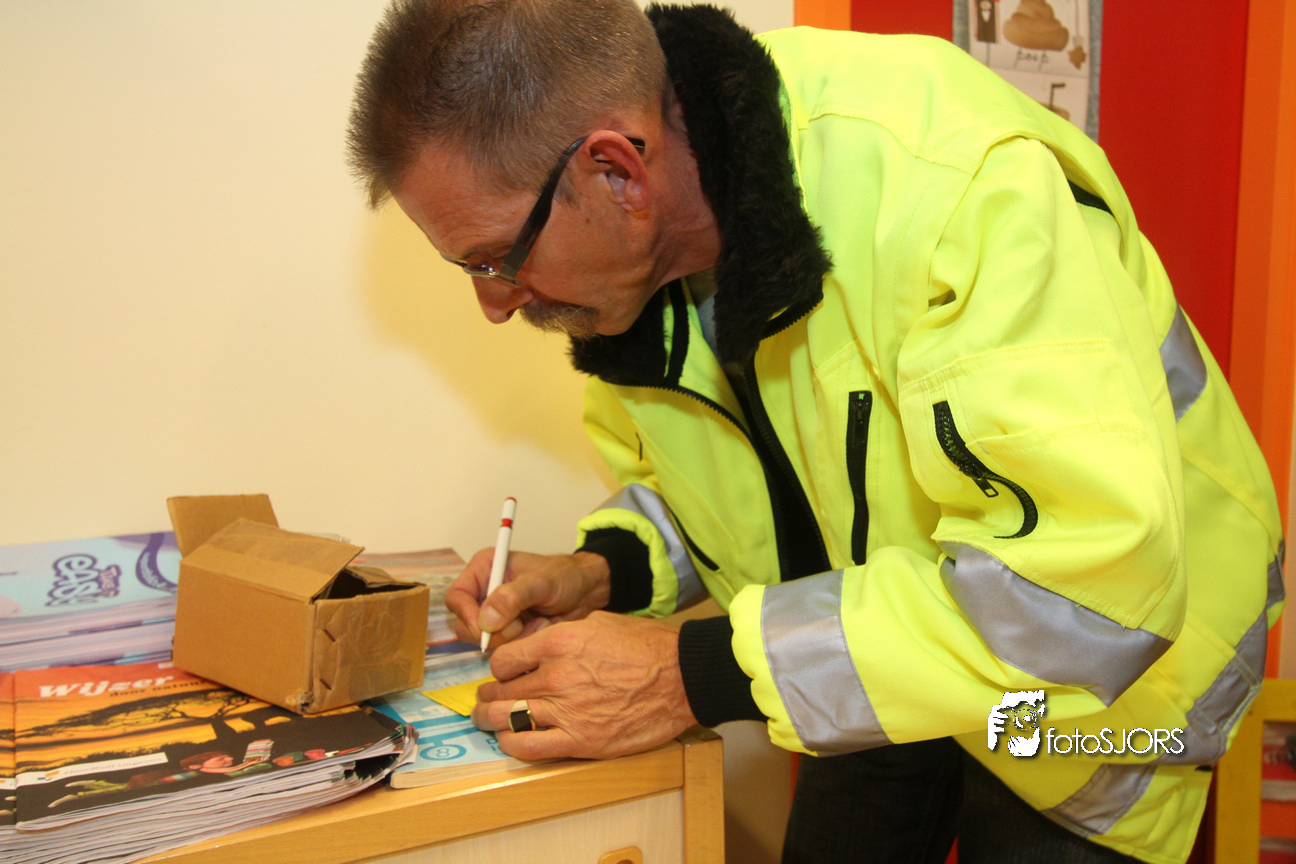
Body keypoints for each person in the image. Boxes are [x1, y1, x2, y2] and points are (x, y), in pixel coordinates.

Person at [346, 1, 1285, 862]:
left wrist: (688, 673)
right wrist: (604, 569)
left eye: (495, 258)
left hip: (1100, 690)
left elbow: (1079, 591)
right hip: (890, 642)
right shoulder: (646, 265)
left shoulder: (955, 183)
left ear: (616, 172)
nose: (495, 305)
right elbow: (756, 477)